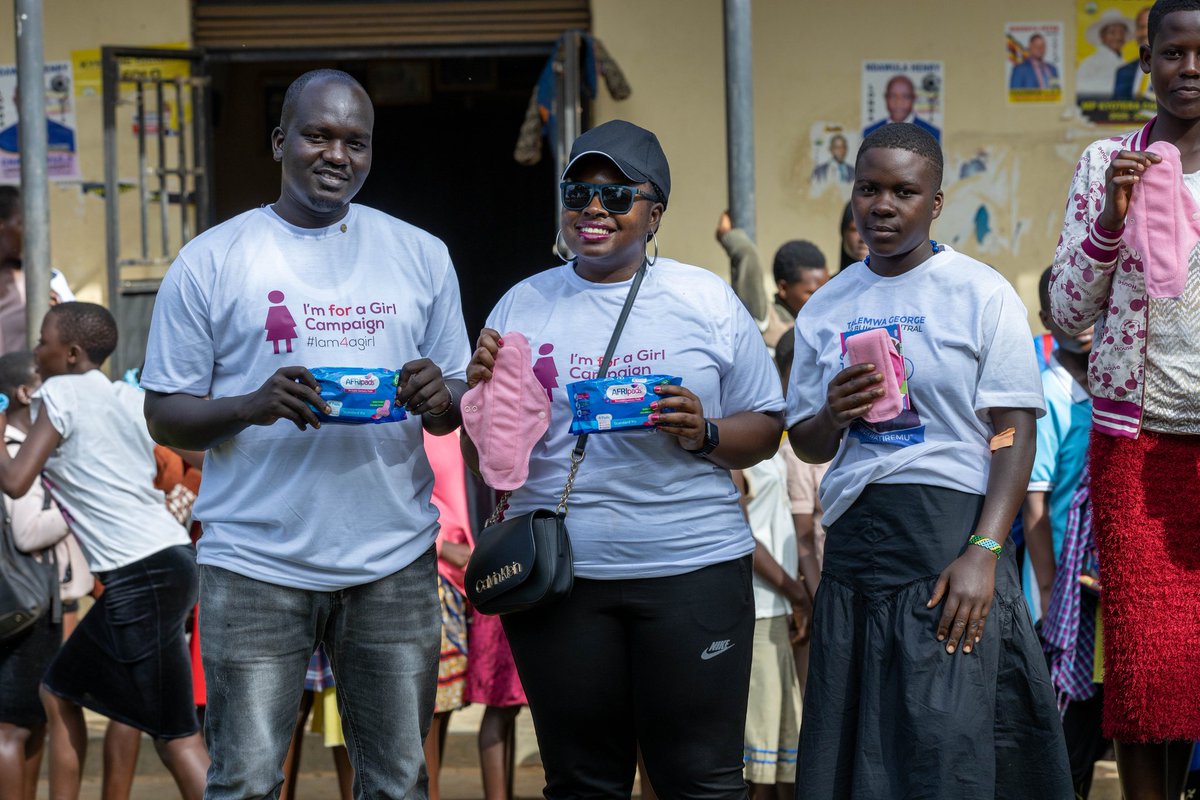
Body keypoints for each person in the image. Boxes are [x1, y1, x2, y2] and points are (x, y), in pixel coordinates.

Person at [140, 68, 471, 799]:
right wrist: (251, 405)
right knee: (247, 782)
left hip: (392, 560)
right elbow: (163, 410)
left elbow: (457, 403)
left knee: (396, 782)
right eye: (319, 135)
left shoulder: (420, 254)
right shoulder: (213, 259)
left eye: (356, 141)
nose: (337, 154)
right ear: (279, 140)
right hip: (256, 561)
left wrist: (435, 395)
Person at [464, 119, 786, 798]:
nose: (594, 210)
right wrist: (482, 390)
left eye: (617, 197)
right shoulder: (524, 302)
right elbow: (494, 454)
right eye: (579, 192)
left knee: (700, 781)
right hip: (561, 582)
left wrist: (704, 432)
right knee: (583, 782)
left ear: (655, 211)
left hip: (692, 570)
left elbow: (768, 426)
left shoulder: (703, 299)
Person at [787, 123, 1072, 797]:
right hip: (859, 552)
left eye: (904, 192)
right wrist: (834, 411)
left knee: (949, 746)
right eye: (869, 189)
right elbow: (807, 442)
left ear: (935, 202)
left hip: (952, 550)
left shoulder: (980, 293)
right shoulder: (826, 307)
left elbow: (1012, 431)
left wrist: (984, 549)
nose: (883, 206)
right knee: (865, 754)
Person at [1050, 2, 1200, 795]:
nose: (1190, 67)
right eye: (1173, 52)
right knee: (1146, 677)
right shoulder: (1110, 162)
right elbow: (1069, 313)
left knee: (1195, 677)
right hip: (1137, 450)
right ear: (1147, 62)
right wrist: (1110, 217)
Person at [0, 303, 208, 800]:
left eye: (42, 340)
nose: (36, 349)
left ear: (69, 354)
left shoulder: (60, 392)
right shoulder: (126, 395)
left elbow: (14, 480)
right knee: (69, 695)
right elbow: (198, 454)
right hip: (171, 565)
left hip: (144, 578)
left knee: (171, 735)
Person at [1025, 267, 1106, 798]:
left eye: (1091, 308)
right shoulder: (1049, 394)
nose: (1081, 322)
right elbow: (1035, 496)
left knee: (1095, 702)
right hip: (1058, 582)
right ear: (1048, 320)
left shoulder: (1107, 389)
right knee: (1062, 711)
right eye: (1067, 309)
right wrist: (1051, 586)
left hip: (1098, 581)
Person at [0, 350, 90, 800]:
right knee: (14, 726)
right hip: (28, 604)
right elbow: (28, 530)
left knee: (31, 721)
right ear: (23, 393)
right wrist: (79, 502)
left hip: (33, 603)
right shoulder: (16, 451)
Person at [422, 429, 472, 800]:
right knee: (429, 709)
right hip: (435, 574)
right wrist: (442, 546)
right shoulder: (423, 422)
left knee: (449, 704)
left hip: (476, 578)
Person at [0, 187, 75, 356]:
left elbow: (76, 340)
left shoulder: (49, 280)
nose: (31, 233)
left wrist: (60, 314)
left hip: (25, 380)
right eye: (21, 223)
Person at [863, 75, 940, 142]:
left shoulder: (932, 134)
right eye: (893, 96)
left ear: (914, 98)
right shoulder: (869, 133)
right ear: (886, 97)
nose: (899, 102)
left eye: (905, 96)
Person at [1077, 8, 1135, 97]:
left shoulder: (1125, 63)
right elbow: (1079, 89)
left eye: (1121, 32)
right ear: (1102, 36)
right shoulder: (1090, 63)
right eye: (1112, 32)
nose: (1118, 37)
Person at [1114, 6, 1154, 99]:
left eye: (1150, 26)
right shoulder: (1123, 72)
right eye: (1140, 27)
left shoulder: (1175, 70)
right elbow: (1114, 110)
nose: (1144, 32)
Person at [837, 201, 868, 272]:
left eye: (871, 230)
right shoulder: (830, 282)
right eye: (855, 230)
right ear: (843, 232)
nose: (863, 239)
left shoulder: (894, 282)